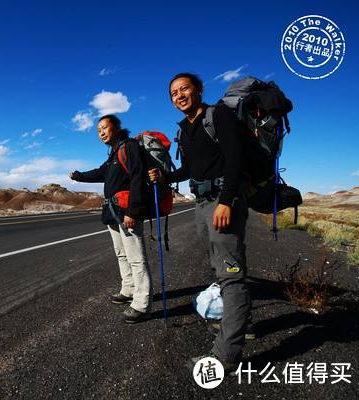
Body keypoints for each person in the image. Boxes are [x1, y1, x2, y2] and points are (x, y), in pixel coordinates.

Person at [149, 72, 251, 371]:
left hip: (222, 201)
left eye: (184, 89)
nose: (179, 95)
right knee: (219, 269)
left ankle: (227, 355)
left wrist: (226, 201)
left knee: (231, 275)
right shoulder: (186, 129)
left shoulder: (217, 115)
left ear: (199, 90)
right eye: (173, 93)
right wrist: (165, 176)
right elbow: (190, 168)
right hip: (202, 203)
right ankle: (240, 323)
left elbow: (236, 159)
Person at [70, 114, 153, 323]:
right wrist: (78, 176)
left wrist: (133, 212)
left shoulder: (130, 147)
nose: (101, 133)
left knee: (136, 258)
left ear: (116, 128)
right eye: (99, 131)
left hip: (127, 213)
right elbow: (100, 173)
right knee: (122, 254)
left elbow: (137, 179)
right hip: (112, 213)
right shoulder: (114, 154)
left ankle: (142, 303)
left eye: (105, 128)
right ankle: (129, 290)